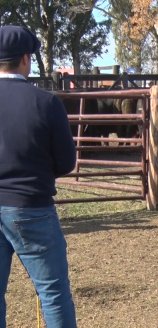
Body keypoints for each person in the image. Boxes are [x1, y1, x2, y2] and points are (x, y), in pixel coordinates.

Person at [0, 25, 77, 327]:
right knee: (53, 292)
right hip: (31, 206)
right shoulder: (46, 103)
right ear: (25, 58)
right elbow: (67, 161)